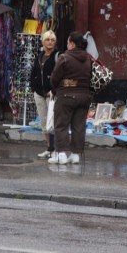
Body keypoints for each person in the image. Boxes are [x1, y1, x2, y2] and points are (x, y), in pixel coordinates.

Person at [48, 31, 92, 165]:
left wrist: (55, 90)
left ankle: (61, 154)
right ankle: (75, 155)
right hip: (85, 96)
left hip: (66, 95)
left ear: (72, 43)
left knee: (61, 124)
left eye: (68, 42)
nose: (67, 45)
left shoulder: (65, 57)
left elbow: (55, 77)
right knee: (78, 126)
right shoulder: (88, 58)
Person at [29, 30, 59, 158]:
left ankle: (56, 150)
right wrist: (33, 86)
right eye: (48, 39)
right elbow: (34, 73)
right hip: (39, 93)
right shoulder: (39, 56)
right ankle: (49, 148)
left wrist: (54, 90)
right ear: (43, 41)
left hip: (51, 94)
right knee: (43, 122)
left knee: (52, 122)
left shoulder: (58, 56)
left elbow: (60, 75)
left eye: (52, 40)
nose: (50, 42)